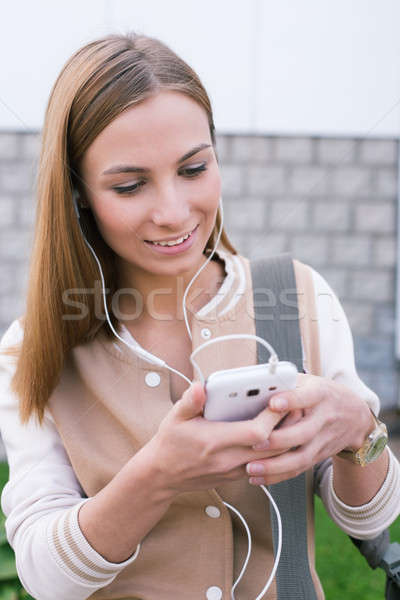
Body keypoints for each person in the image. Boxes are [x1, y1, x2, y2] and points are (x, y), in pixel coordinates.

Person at [0, 31, 399, 600]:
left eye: (193, 169)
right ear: (78, 192)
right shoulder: (31, 349)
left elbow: (365, 522)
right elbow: (44, 577)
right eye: (131, 185)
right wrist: (157, 475)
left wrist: (360, 430)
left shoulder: (299, 295)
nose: (173, 211)